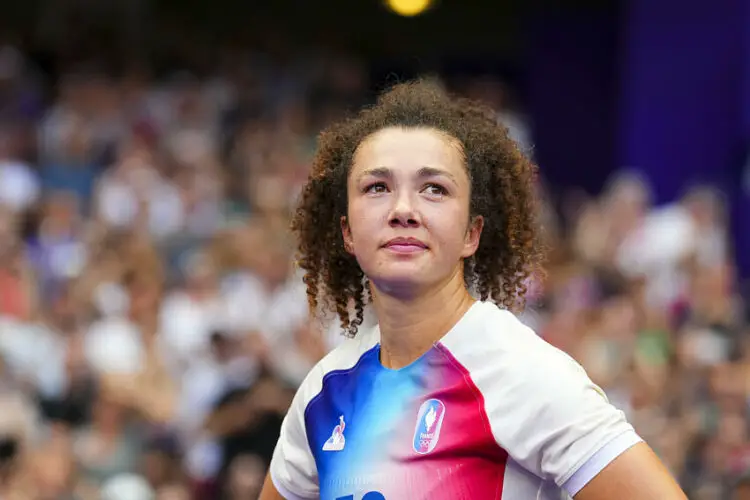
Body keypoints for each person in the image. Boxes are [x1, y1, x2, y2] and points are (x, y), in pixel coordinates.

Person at [259, 80, 687, 500]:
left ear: (472, 233)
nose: (403, 209)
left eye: (434, 189)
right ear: (348, 232)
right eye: (377, 187)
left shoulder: (522, 372)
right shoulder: (322, 391)